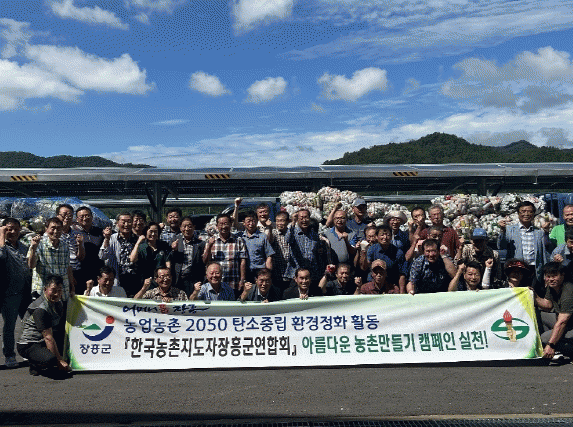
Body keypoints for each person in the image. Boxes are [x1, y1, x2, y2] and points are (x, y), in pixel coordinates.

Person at [17, 275, 71, 377]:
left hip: (43, 339)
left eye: (59, 290)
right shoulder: (40, 309)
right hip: (29, 344)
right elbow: (48, 338)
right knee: (50, 360)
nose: (56, 294)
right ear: (45, 289)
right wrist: (59, 360)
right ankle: (35, 363)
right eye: (53, 290)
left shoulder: (58, 303)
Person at [0, 218, 32, 368]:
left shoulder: (24, 247)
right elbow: (1, 257)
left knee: (28, 325)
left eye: (15, 229)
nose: (12, 232)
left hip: (26, 292)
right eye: (8, 229)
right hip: (9, 293)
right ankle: (9, 355)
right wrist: (1, 235)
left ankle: (27, 352)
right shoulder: (2, 246)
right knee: (10, 326)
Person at [498, 201, 549, 282]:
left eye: (530, 211)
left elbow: (544, 252)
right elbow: (501, 246)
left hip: (534, 270)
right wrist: (502, 230)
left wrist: (546, 232)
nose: (526, 214)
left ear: (533, 214)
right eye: (523, 211)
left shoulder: (539, 232)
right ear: (518, 214)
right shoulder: (509, 229)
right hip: (516, 269)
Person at [29, 217, 76, 302]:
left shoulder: (65, 246)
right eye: (53, 228)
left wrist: (72, 287)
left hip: (62, 291)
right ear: (46, 229)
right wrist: (33, 248)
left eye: (59, 228)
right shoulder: (38, 244)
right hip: (43, 290)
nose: (55, 231)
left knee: (61, 310)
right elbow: (31, 265)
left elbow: (68, 268)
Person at [533, 262, 573, 361]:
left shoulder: (568, 291)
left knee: (544, 338)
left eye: (554, 276)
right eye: (548, 276)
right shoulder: (552, 287)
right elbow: (547, 305)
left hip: (569, 324)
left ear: (562, 275)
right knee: (538, 315)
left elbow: (562, 322)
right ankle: (553, 344)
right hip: (565, 322)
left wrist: (551, 344)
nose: (551, 279)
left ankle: (555, 348)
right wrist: (534, 295)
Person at [204, 213, 248, 296]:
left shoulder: (238, 240)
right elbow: (206, 261)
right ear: (217, 226)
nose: (223, 226)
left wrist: (242, 279)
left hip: (233, 283)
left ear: (231, 225)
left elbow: (243, 262)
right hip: (216, 284)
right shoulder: (211, 240)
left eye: (226, 223)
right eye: (221, 224)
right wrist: (209, 246)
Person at [99, 212, 139, 297]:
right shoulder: (112, 238)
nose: (126, 225)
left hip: (134, 281)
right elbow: (102, 256)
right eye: (123, 222)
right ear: (117, 223)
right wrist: (106, 239)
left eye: (129, 221)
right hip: (116, 280)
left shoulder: (137, 239)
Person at [285, 209, 326, 289]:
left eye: (306, 217)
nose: (304, 220)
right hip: (296, 273)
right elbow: (287, 239)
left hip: (311, 274)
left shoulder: (314, 235)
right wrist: (293, 222)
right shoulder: (293, 232)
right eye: (301, 218)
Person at [363, 225, 408, 293]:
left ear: (391, 237)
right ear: (376, 237)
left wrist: (402, 293)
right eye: (382, 235)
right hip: (373, 284)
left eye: (388, 235)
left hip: (390, 285)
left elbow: (402, 274)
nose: (385, 237)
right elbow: (365, 267)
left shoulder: (398, 252)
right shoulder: (372, 249)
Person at [71, 206, 104, 296]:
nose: (85, 218)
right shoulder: (73, 233)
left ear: (92, 217)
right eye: (81, 216)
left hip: (98, 272)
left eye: (87, 215)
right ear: (77, 219)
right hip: (80, 273)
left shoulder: (100, 232)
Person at [171, 217, 206, 295]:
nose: (187, 229)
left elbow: (203, 262)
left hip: (193, 280)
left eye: (189, 226)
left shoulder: (201, 244)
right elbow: (170, 260)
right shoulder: (175, 241)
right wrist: (174, 250)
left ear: (194, 227)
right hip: (178, 279)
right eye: (184, 226)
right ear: (180, 228)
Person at [129, 222, 171, 288]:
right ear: (146, 232)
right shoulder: (141, 246)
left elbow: (168, 262)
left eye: (155, 232)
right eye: (151, 231)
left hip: (160, 282)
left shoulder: (164, 245)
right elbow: (132, 260)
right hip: (144, 281)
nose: (153, 234)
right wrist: (138, 242)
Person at [237, 210, 274, 281]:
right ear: (244, 223)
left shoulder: (262, 236)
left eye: (253, 221)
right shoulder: (239, 236)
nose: (251, 224)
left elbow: (269, 255)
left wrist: (268, 273)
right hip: (244, 272)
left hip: (259, 272)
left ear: (257, 222)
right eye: (248, 221)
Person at [270, 211, 292, 291]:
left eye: (282, 221)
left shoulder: (291, 233)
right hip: (277, 273)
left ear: (287, 221)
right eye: (277, 221)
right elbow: (270, 239)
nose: (279, 223)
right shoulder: (273, 233)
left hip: (290, 272)